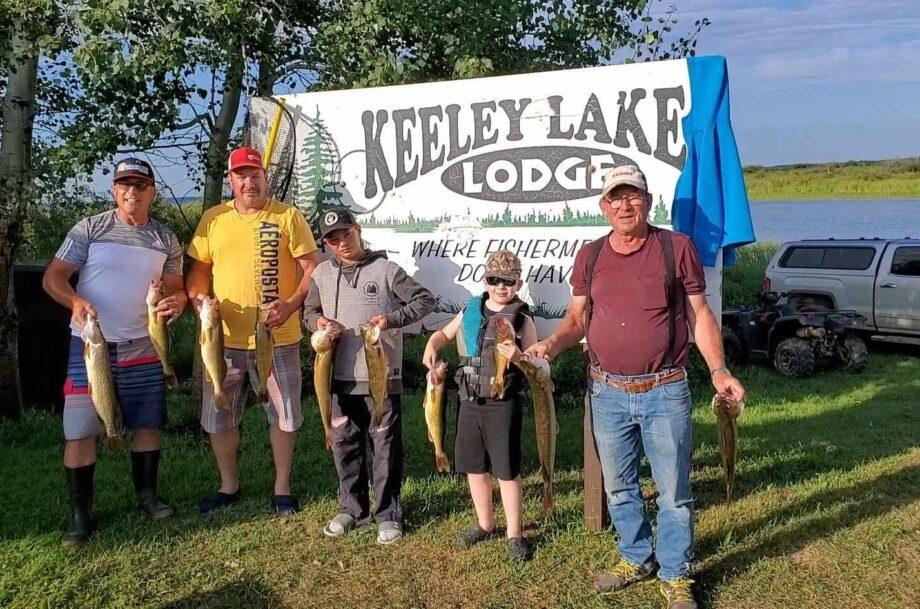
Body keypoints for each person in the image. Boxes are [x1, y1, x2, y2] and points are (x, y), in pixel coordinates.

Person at [527, 165, 747, 608]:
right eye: (616, 198)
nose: (625, 205)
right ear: (603, 207)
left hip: (665, 389)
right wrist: (551, 345)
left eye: (633, 196)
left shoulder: (675, 247)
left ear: (647, 202)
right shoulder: (590, 255)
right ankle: (636, 556)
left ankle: (676, 573)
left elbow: (699, 314)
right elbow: (576, 320)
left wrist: (719, 370)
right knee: (620, 487)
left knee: (673, 490)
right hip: (605, 391)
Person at [42, 157, 187, 546]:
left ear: (152, 192)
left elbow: (177, 287)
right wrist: (73, 302)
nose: (132, 192)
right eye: (125, 184)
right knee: (80, 430)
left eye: (140, 185)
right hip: (90, 345)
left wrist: (178, 302)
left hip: (144, 343)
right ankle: (80, 515)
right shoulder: (90, 227)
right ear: (114, 190)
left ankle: (148, 496)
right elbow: (53, 277)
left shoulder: (166, 238)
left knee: (146, 424)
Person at [186, 146, 319, 516]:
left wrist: (291, 304)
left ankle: (282, 487)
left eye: (255, 175)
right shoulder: (213, 219)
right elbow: (197, 271)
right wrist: (198, 300)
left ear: (266, 177)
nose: (249, 182)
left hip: (279, 336)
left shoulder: (288, 217)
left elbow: (313, 268)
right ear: (231, 180)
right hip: (222, 340)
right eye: (241, 176)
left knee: (284, 414)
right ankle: (228, 485)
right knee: (219, 414)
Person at [303, 207, 435, 545]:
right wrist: (318, 324)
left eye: (345, 233)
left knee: (385, 446)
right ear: (327, 244)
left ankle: (388, 513)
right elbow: (309, 312)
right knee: (345, 444)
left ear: (357, 230)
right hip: (337, 376)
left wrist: (389, 321)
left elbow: (424, 300)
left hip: (380, 377)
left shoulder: (386, 269)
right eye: (332, 239)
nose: (341, 242)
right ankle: (352, 507)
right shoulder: (320, 274)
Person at [422, 250, 538, 562]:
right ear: (485, 280)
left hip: (503, 402)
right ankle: (485, 523)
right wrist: (431, 347)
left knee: (506, 469)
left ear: (518, 282)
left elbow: (536, 364)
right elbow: (443, 335)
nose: (501, 286)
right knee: (474, 467)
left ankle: (514, 533)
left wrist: (518, 358)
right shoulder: (470, 309)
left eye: (508, 281)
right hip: (468, 398)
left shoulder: (523, 318)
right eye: (494, 280)